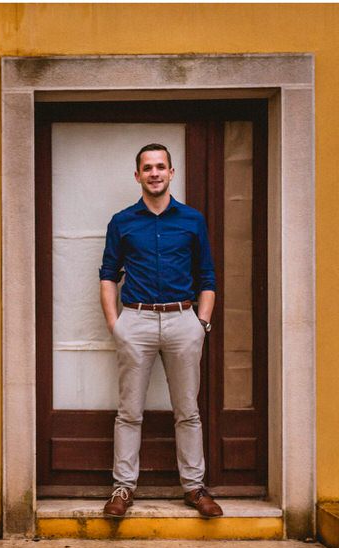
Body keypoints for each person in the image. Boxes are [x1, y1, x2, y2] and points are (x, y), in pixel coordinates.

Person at [99, 143, 223, 519]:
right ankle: (123, 488)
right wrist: (115, 324)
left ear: (172, 173)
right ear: (137, 175)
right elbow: (108, 275)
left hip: (182, 320)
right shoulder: (122, 222)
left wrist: (201, 323)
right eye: (147, 168)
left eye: (161, 167)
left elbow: (207, 276)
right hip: (135, 321)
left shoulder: (192, 220)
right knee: (129, 411)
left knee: (188, 411)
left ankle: (194, 487)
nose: (154, 173)